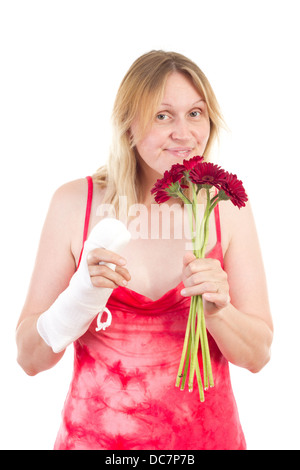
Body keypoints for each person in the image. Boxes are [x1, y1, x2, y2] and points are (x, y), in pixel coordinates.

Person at [16, 50, 273, 450]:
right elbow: (29, 359)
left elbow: (258, 355)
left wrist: (219, 313)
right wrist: (78, 298)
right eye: (163, 115)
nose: (185, 133)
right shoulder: (74, 204)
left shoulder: (224, 208)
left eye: (196, 113)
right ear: (128, 125)